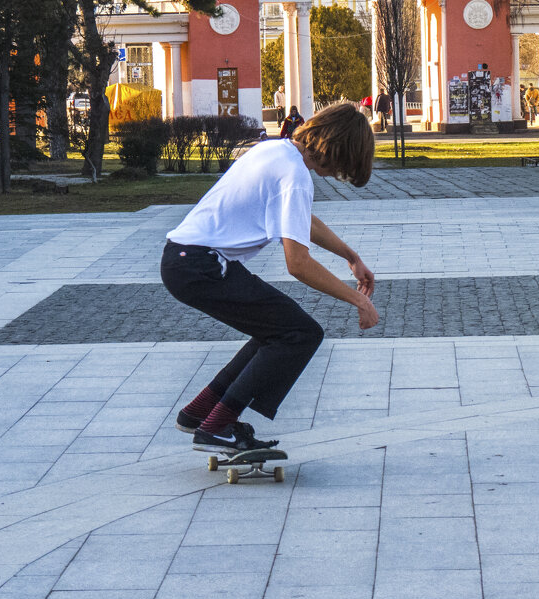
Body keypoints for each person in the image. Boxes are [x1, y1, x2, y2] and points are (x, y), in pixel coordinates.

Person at [160, 102, 379, 453]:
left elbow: (302, 219)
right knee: (299, 333)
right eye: (344, 164)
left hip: (185, 259)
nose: (339, 172)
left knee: (276, 330)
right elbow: (298, 264)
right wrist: (358, 300)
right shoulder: (294, 176)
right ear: (338, 149)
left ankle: (200, 413)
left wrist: (350, 256)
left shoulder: (276, 151)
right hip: (200, 264)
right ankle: (217, 427)